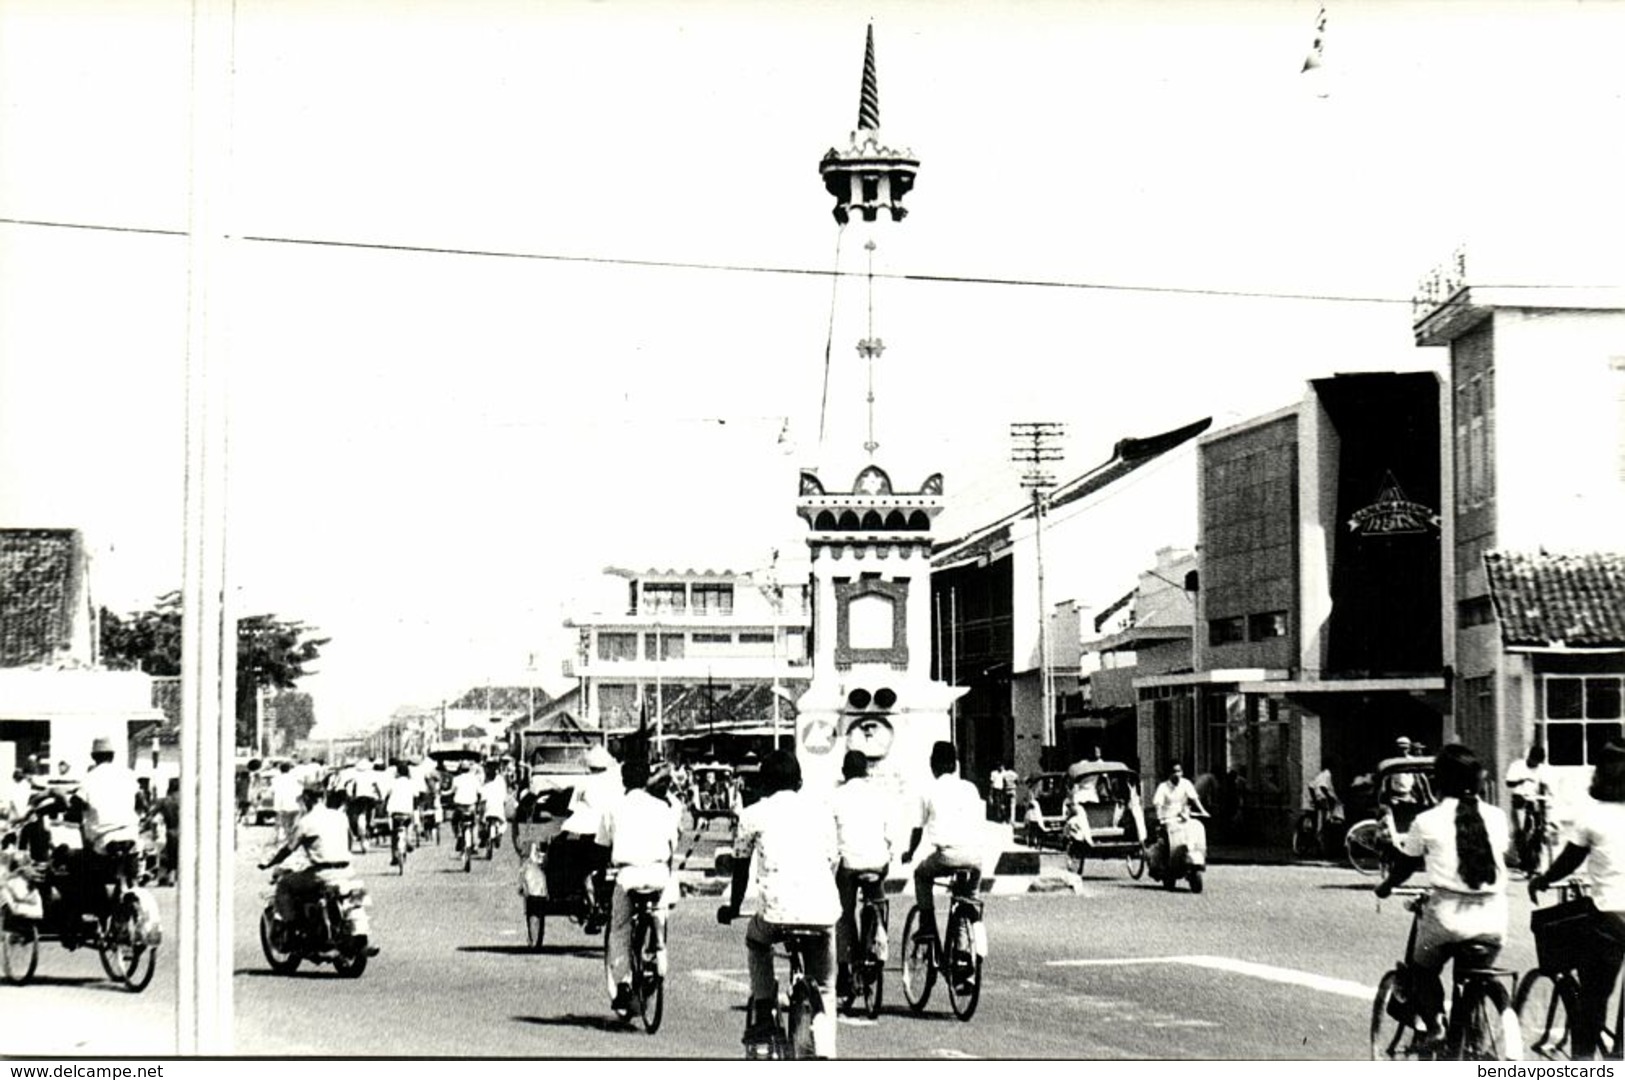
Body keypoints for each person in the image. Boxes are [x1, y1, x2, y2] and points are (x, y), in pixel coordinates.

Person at [1374, 743, 1509, 1046]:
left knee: (1421, 971)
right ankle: (1470, 1035)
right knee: (1472, 977)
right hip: (1494, 919)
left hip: (1447, 918)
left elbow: (1405, 865)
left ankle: (1435, 1024)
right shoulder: (1497, 816)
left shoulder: (1427, 820)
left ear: (1439, 782)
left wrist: (1384, 887)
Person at [718, 750, 839, 1055]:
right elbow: (832, 862)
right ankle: (828, 1052)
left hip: (776, 912)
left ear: (764, 784)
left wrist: (732, 908)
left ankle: (763, 1007)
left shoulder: (752, 814)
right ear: (799, 782)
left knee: (757, 943)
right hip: (822, 912)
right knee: (825, 986)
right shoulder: (822, 812)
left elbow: (741, 868)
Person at [1528, 738, 1625, 1058]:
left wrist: (1543, 879)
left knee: (1594, 1000)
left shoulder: (1593, 816)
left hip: (1610, 916)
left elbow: (1569, 860)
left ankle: (1583, 1065)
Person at [596, 757, 680, 1018]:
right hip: (658, 873)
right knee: (661, 907)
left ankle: (623, 985)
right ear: (647, 780)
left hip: (628, 875)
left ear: (623, 780)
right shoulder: (662, 807)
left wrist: (601, 874)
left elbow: (602, 846)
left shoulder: (613, 807)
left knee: (619, 929)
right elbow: (672, 846)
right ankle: (659, 944)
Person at [902, 741, 985, 945]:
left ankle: (927, 925)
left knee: (921, 875)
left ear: (933, 765)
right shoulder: (970, 788)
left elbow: (917, 830)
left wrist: (910, 853)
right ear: (955, 765)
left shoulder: (928, 791)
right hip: (975, 858)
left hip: (947, 856)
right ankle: (964, 951)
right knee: (966, 898)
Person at [831, 749, 893, 999]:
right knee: (877, 900)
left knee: (844, 914)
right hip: (878, 863)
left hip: (849, 864)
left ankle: (845, 969)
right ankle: (877, 935)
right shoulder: (880, 795)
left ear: (845, 772)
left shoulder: (836, 797)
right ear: (867, 771)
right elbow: (890, 835)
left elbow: (828, 836)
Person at [548, 745, 620, 924]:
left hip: (587, 833)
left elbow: (573, 810)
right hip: (612, 833)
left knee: (582, 867)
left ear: (590, 766)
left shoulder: (584, 782)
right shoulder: (617, 783)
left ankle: (590, 902)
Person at [259, 786, 354, 923]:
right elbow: (349, 839)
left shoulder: (306, 821)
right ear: (324, 797)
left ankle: (291, 924)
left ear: (306, 799)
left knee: (284, 884)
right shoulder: (340, 816)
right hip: (347, 871)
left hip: (321, 873)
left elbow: (289, 848)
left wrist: (271, 862)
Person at [1506, 743, 1554, 870]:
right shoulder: (1517, 766)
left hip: (1535, 800)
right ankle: (1524, 859)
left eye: (1538, 762)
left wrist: (1547, 799)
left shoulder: (1542, 769)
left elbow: (1545, 786)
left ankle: (1535, 859)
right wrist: (1522, 780)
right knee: (1521, 830)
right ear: (1529, 757)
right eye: (1533, 761)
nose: (1535, 764)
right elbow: (1509, 783)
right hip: (1520, 799)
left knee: (1539, 829)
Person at [1152, 760, 1209, 830]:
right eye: (1174, 772)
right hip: (1168, 818)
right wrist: (1159, 818)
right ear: (1169, 774)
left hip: (1183, 817)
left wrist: (1203, 811)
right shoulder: (1163, 786)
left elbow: (1194, 798)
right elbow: (1158, 804)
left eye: (1179, 771)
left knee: (1197, 827)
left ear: (1182, 772)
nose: (1176, 774)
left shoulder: (1186, 783)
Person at [383, 761, 418, 866]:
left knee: (394, 834)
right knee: (409, 825)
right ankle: (408, 840)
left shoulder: (393, 782)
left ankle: (394, 857)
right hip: (407, 811)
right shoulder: (411, 783)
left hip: (395, 812)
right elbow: (416, 796)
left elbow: (386, 795)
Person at [448, 761, 483, 852]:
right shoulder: (475, 779)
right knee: (474, 824)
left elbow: (451, 791)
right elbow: (480, 792)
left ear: (460, 769)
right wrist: (478, 803)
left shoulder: (456, 779)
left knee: (454, 822)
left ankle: (458, 836)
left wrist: (444, 794)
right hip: (471, 807)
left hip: (459, 807)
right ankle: (475, 844)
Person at [270, 761, 304, 847]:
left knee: (281, 823)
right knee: (292, 823)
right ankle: (291, 840)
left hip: (280, 805)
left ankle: (281, 840)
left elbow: (272, 791)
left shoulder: (275, 779)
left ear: (280, 770)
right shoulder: (294, 779)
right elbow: (300, 791)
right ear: (289, 769)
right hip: (293, 804)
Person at [478, 760, 510, 851]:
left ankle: (483, 838)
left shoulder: (484, 780)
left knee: (480, 822)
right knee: (504, 823)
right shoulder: (501, 780)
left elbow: (482, 797)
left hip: (487, 808)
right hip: (498, 808)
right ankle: (499, 833)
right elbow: (504, 797)